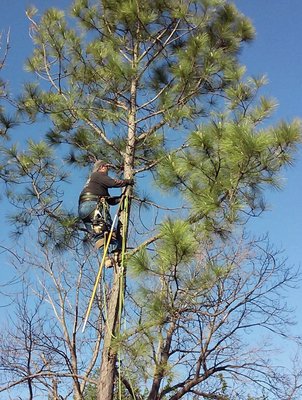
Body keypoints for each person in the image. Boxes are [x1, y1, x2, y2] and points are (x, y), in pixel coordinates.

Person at [78, 160, 133, 251]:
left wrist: (120, 199)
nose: (108, 170)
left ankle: (106, 258)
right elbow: (113, 182)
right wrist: (127, 181)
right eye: (107, 167)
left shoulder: (93, 183)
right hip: (94, 205)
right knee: (108, 230)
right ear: (102, 167)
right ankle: (117, 249)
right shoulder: (97, 175)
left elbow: (109, 200)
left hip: (84, 210)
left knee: (98, 235)